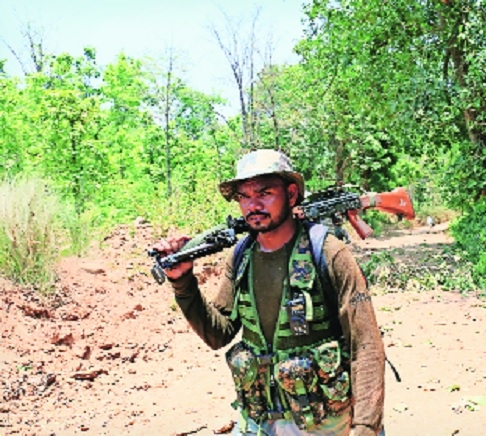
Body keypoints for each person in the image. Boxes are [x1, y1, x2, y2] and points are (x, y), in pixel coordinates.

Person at [152, 149, 386, 436]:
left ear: (290, 195)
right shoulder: (241, 256)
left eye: (264, 193)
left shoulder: (327, 252)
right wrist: (183, 282)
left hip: (323, 424)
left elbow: (366, 346)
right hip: (258, 421)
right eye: (245, 196)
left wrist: (365, 428)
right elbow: (218, 334)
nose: (254, 204)